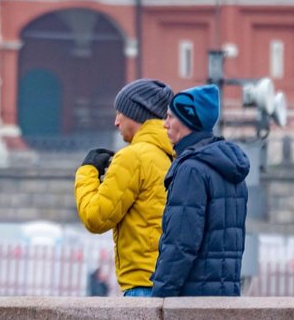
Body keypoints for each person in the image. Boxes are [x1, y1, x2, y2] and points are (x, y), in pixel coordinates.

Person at [75, 79, 175, 297]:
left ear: (136, 114)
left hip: (142, 282)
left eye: (120, 113)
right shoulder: (170, 152)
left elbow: (96, 217)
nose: (116, 122)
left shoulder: (133, 157)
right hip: (168, 278)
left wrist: (87, 172)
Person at [152, 84, 250, 297]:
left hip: (192, 301)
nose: (165, 124)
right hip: (225, 297)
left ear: (188, 121)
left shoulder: (191, 170)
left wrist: (159, 298)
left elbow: (180, 244)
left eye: (170, 117)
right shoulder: (230, 168)